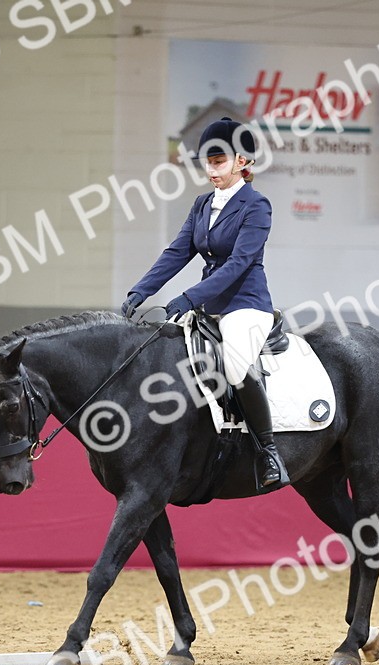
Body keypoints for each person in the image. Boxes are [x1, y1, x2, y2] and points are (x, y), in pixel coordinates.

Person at [121, 116, 289, 493]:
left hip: (245, 306)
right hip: (205, 307)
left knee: (233, 365)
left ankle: (268, 451)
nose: (210, 170)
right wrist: (140, 291)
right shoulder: (201, 205)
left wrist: (186, 298)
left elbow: (238, 264)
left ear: (242, 162)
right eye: (207, 162)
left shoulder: (256, 206)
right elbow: (177, 252)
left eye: (218, 161)